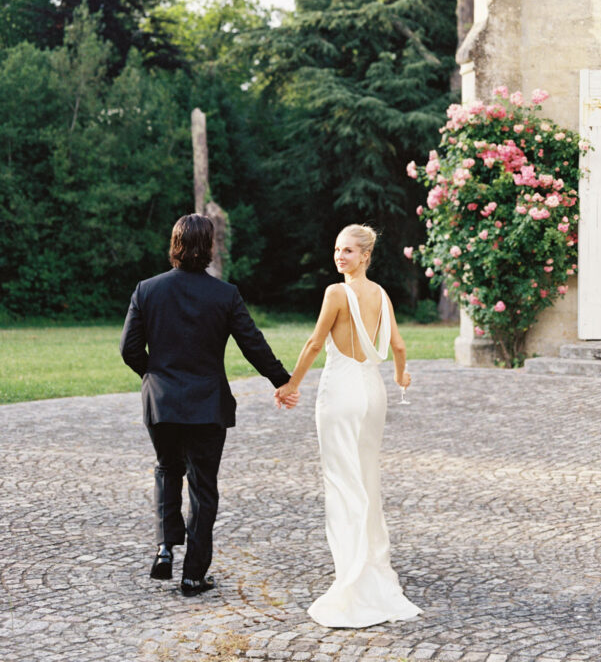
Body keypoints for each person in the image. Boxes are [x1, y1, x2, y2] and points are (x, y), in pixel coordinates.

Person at [120, 213, 298, 598]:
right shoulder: (225, 294)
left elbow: (129, 349)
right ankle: (193, 576)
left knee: (168, 468)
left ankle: (166, 547)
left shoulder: (146, 290)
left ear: (175, 244)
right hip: (207, 406)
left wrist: (155, 377)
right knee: (203, 487)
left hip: (162, 404)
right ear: (210, 248)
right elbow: (253, 344)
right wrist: (282, 381)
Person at [274, 224, 421, 628]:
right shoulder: (381, 294)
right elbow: (399, 346)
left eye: (349, 251)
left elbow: (315, 344)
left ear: (365, 256)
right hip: (373, 393)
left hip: (340, 393)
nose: (340, 256)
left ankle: (353, 575)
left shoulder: (336, 293)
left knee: (342, 480)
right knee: (367, 478)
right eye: (337, 249)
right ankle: (371, 563)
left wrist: (291, 385)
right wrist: (401, 376)